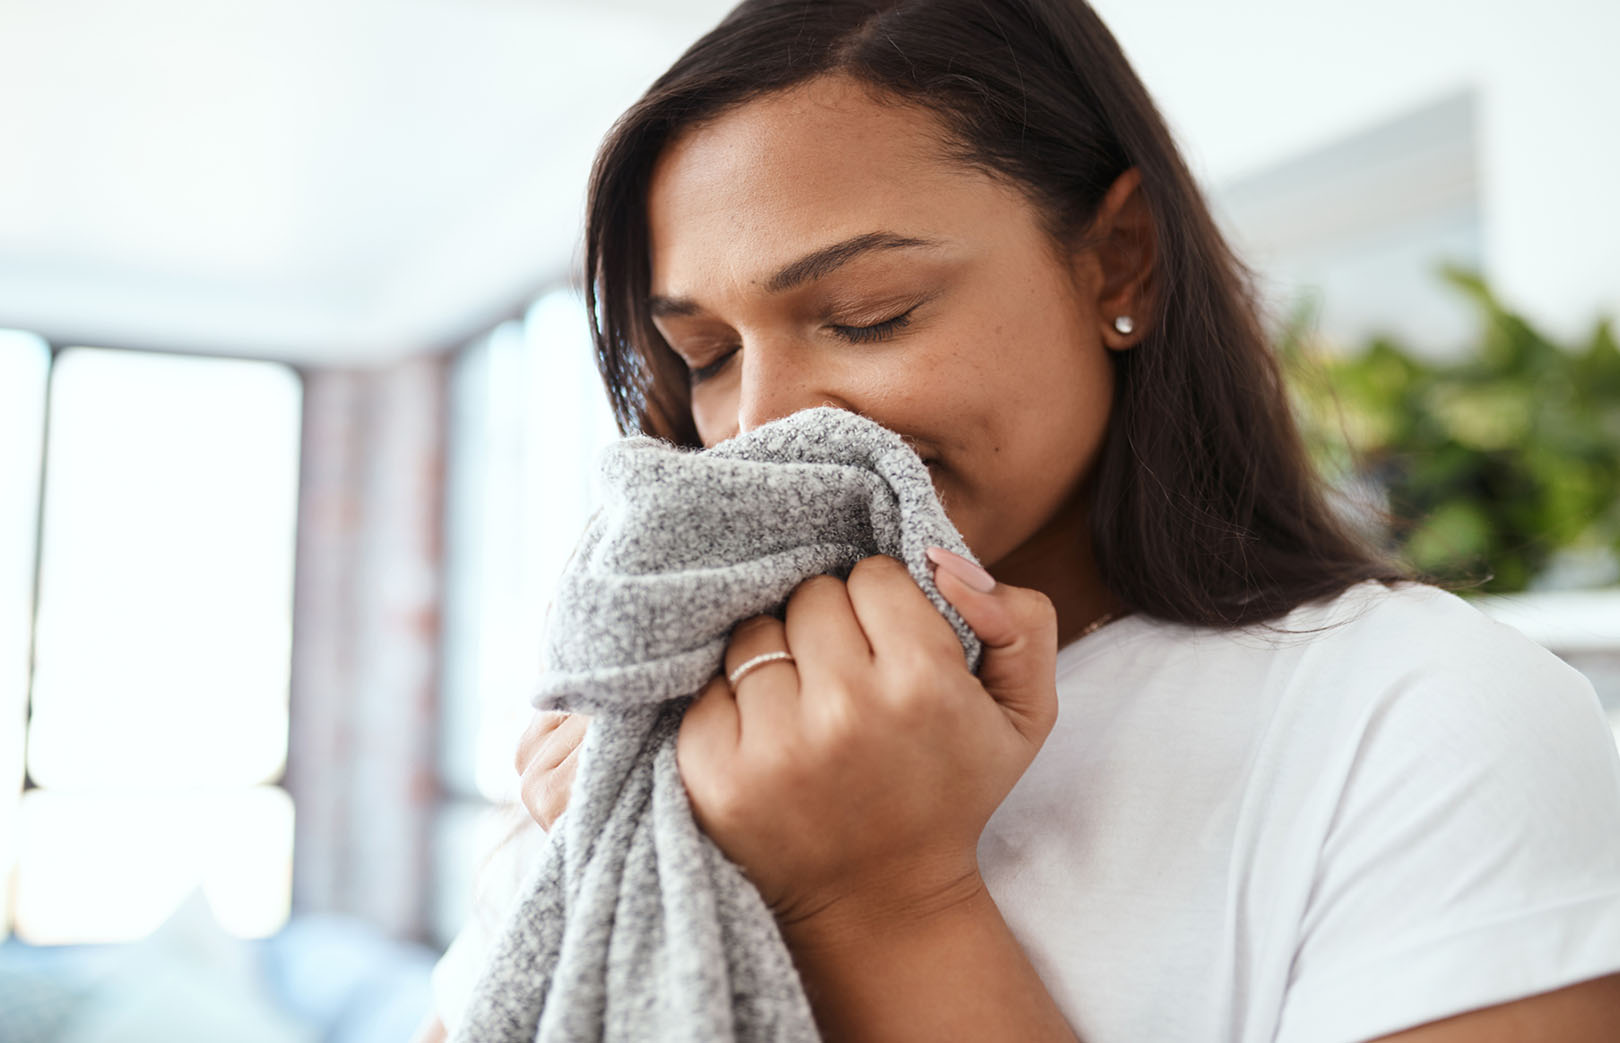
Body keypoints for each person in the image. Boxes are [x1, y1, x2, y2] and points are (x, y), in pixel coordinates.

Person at [415, 1, 1620, 1040]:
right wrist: (621, 853)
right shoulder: (650, 736)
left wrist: (883, 901)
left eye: (869, 312)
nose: (764, 427)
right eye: (708, 354)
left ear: (1119, 265)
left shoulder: (1422, 717)